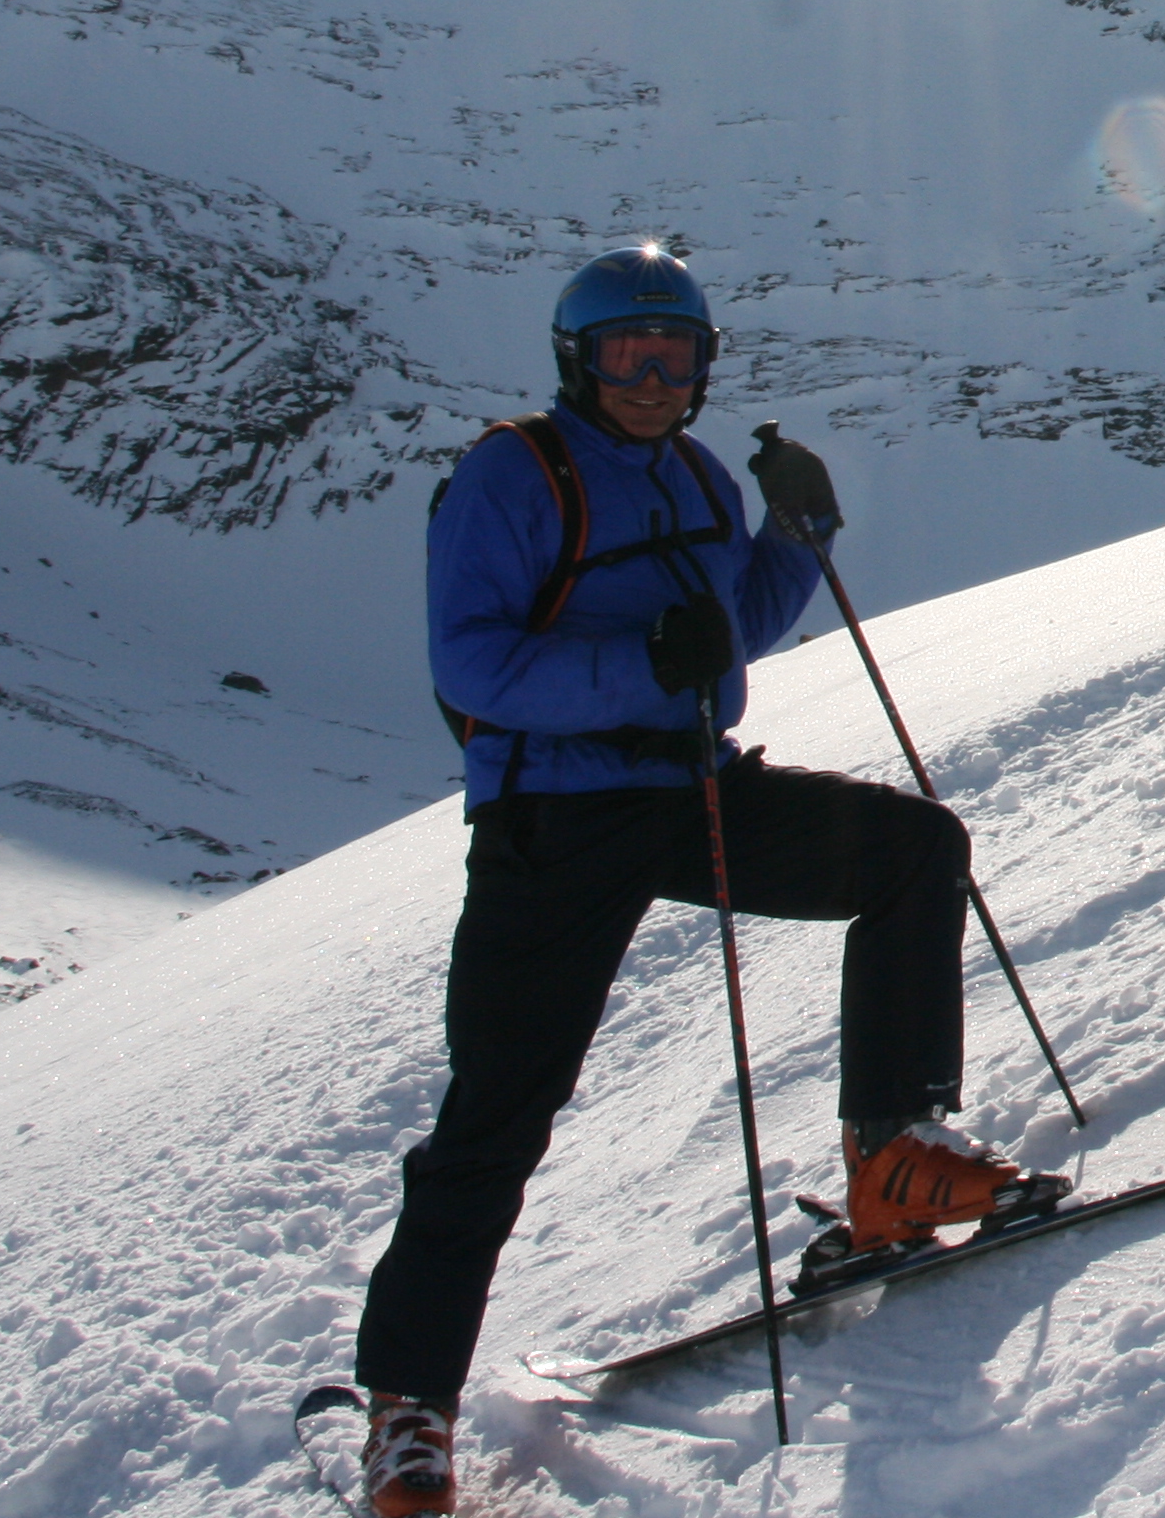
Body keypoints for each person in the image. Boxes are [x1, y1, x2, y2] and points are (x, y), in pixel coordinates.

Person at [347, 245, 1055, 1518]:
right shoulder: (512, 476)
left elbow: (728, 632)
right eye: (629, 353)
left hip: (687, 788)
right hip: (551, 821)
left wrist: (796, 533)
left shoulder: (690, 473)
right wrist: (641, 673)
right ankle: (407, 1411)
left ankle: (894, 1156)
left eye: (677, 354)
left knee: (913, 850)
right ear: (580, 360)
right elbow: (472, 667)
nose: (655, 376)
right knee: (498, 1115)